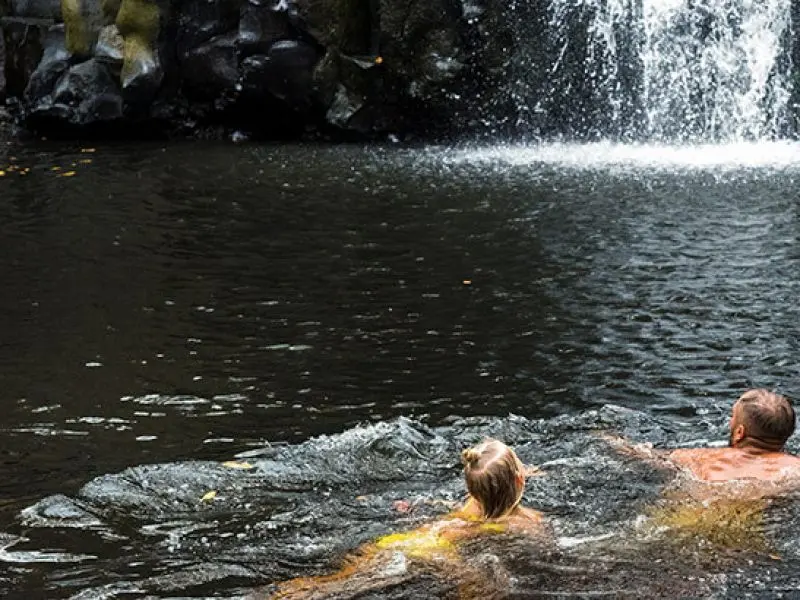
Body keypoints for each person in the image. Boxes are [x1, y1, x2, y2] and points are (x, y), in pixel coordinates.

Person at [269, 439, 548, 599]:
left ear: (470, 488)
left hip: (405, 539)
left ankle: (288, 593)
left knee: (343, 581)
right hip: (436, 550)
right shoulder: (526, 522)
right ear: (520, 479)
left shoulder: (471, 503)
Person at [605, 389, 800, 483]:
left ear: (740, 432)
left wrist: (609, 439)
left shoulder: (699, 458)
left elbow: (641, 456)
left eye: (732, 418)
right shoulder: (794, 469)